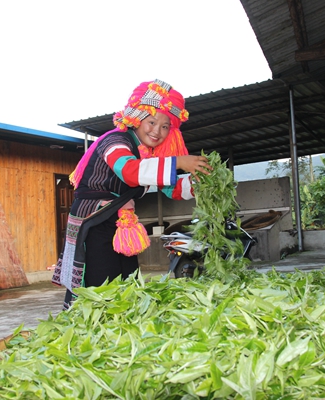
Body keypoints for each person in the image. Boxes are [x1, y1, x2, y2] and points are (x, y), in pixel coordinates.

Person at [51, 79, 211, 310]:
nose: (157, 131)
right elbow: (129, 171)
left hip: (120, 224)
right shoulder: (115, 141)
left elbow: (172, 187)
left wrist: (203, 184)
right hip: (95, 221)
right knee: (100, 286)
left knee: (128, 281)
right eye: (152, 122)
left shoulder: (149, 157)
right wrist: (178, 162)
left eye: (165, 126)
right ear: (137, 117)